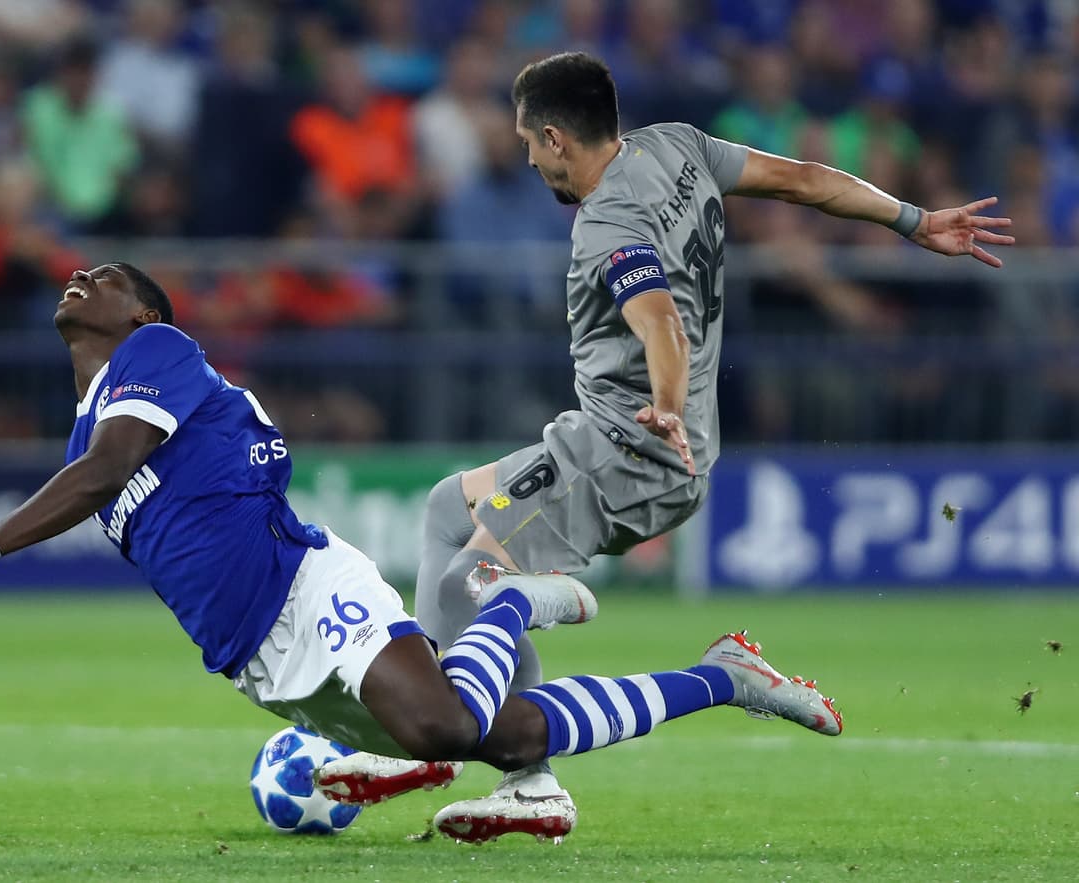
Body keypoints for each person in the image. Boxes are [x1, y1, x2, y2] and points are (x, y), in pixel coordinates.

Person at [0, 262, 842, 842]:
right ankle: (721, 678)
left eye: (109, 274)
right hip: (257, 658)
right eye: (82, 270)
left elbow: (106, 474)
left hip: (308, 591)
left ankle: (508, 599)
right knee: (497, 735)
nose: (83, 275)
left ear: (142, 313)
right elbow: (101, 477)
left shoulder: (157, 352)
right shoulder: (84, 430)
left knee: (435, 731)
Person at [329, 51, 1014, 843]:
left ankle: (449, 725)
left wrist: (662, 406)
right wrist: (915, 220)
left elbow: (658, 317)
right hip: (615, 438)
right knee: (449, 507)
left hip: (629, 453)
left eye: (528, 141)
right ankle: (526, 780)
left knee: (471, 575)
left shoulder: (609, 222)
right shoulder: (679, 146)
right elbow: (803, 179)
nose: (525, 157)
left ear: (557, 137)